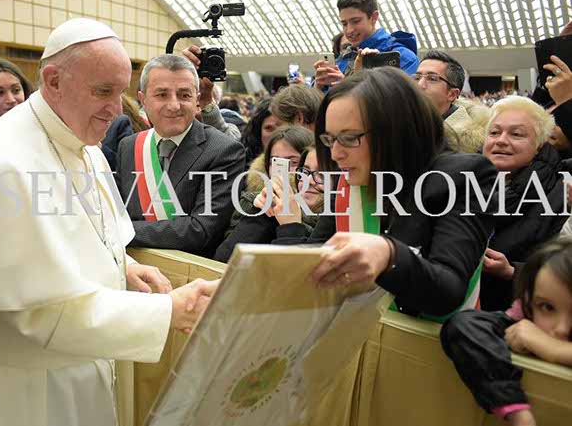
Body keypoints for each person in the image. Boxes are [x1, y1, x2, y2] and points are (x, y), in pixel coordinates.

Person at [0, 18, 216, 426]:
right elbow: (31, 312)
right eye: (103, 91)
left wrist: (123, 266)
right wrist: (166, 312)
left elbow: (86, 234)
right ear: (53, 81)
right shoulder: (2, 165)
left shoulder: (81, 141)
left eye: (120, 92)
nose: (117, 109)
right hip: (20, 388)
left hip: (77, 365)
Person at [270, 67, 498, 319]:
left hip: (429, 340)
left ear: (397, 130)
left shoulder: (465, 177)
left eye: (349, 138)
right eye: (330, 140)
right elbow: (319, 258)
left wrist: (389, 255)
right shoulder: (350, 180)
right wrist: (286, 228)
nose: (335, 154)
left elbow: (448, 289)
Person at [116, 54, 245, 258]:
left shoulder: (224, 150)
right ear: (143, 100)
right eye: (162, 95)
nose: (174, 105)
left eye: (184, 95)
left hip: (187, 272)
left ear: (197, 100)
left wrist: (119, 229)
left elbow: (200, 230)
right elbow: (117, 210)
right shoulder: (129, 146)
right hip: (130, 265)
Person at [441, 237, 572, 426]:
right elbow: (465, 326)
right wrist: (519, 416)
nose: (561, 329)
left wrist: (553, 349)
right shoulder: (523, 322)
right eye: (547, 307)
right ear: (528, 303)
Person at [479, 96, 571, 311]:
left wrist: (512, 272)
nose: (501, 141)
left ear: (539, 145)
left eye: (516, 134)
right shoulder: (457, 182)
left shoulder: (561, 196)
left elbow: (563, 270)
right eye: (494, 132)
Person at [214, 133, 322, 263]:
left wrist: (291, 225)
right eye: (305, 171)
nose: (308, 180)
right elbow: (225, 260)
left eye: (321, 174)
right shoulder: (254, 201)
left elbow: (294, 271)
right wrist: (262, 214)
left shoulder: (334, 223)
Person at [313, 0, 419, 88]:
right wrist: (318, 88)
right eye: (344, 24)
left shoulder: (404, 58)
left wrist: (345, 87)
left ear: (374, 17)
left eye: (356, 21)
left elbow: (401, 99)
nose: (349, 30)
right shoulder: (341, 62)